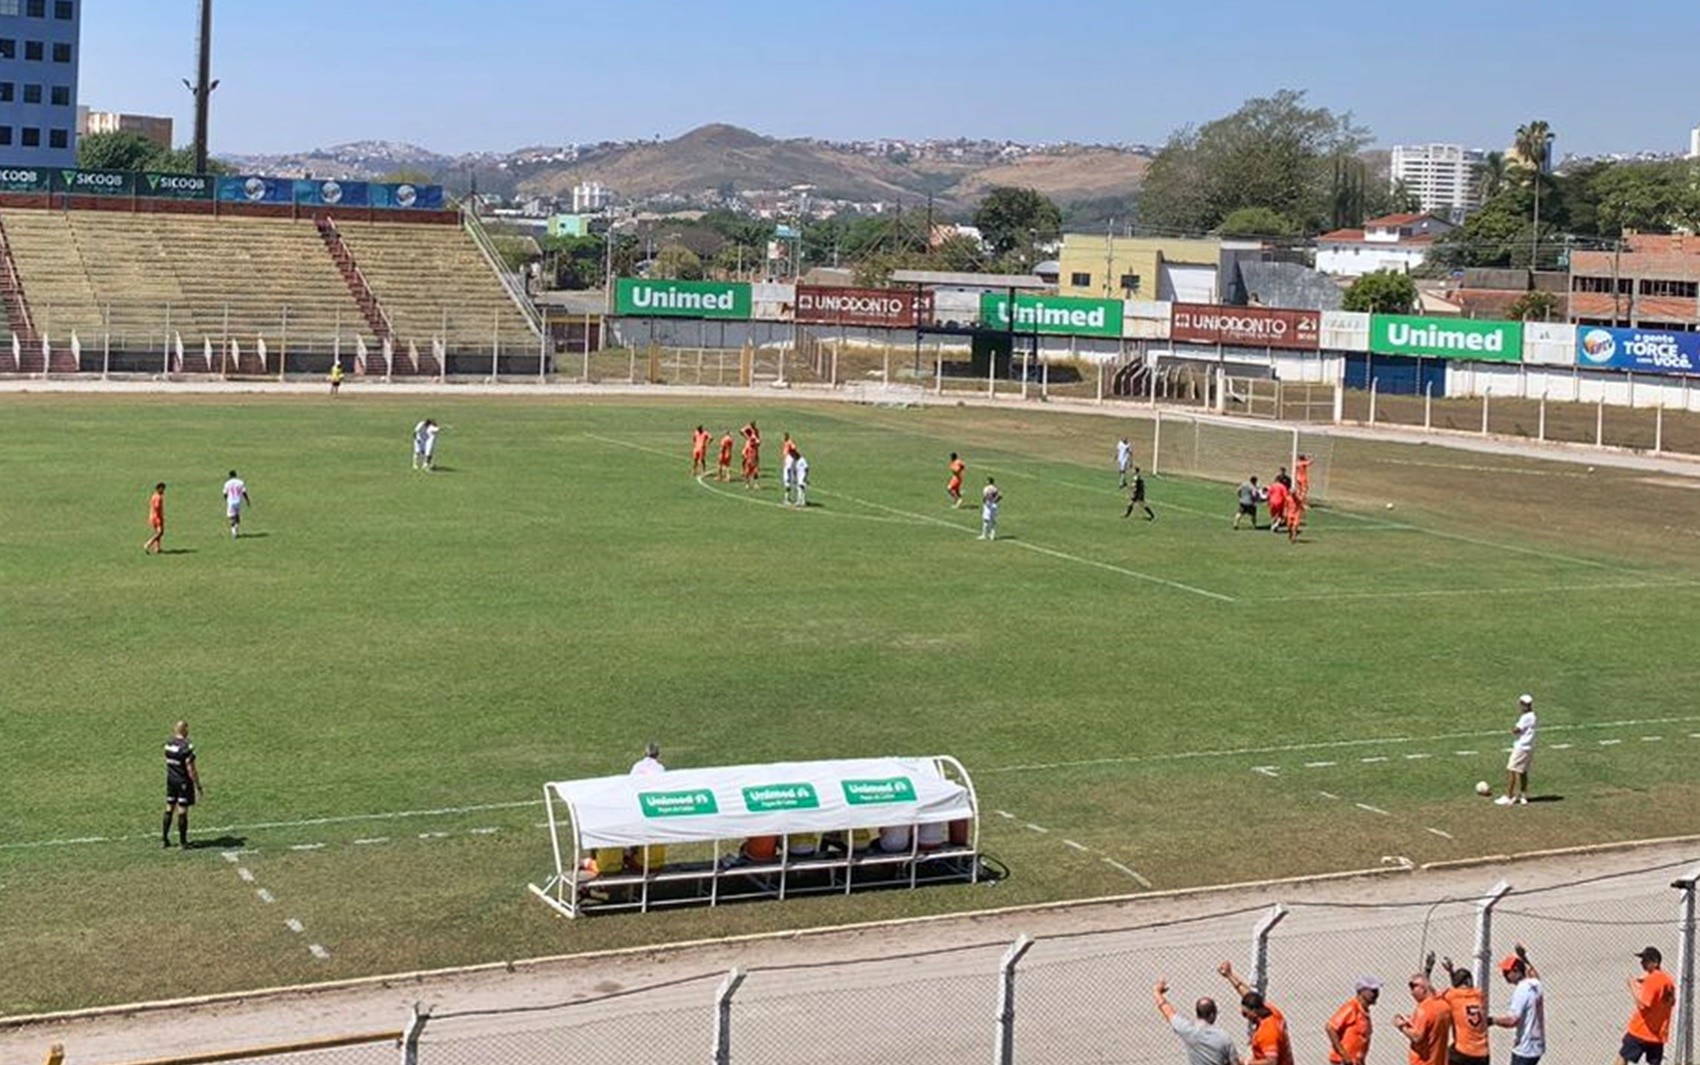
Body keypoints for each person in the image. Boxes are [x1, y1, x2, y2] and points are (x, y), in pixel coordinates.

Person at [1219, 961, 1293, 1065]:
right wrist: (1230, 975)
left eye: (1245, 1014)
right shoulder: (1271, 1011)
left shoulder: (1267, 1032)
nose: (1244, 1017)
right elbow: (1247, 994)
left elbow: (1271, 1062)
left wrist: (1246, 1063)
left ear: (1254, 1012)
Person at [1156, 979, 1242, 1065]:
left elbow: (1167, 1011)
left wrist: (1157, 993)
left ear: (1197, 1013)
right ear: (1212, 1015)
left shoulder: (1188, 1031)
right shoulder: (1224, 1038)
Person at [1425, 956, 1490, 1065]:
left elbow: (1430, 992)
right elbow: (1460, 990)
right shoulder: (1479, 995)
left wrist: (1428, 970)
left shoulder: (1452, 996)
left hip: (1463, 1052)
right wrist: (1451, 971)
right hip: (1483, 1053)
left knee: (1443, 1055)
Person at [1617, 947, 1676, 1065]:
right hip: (1658, 1032)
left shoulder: (1653, 979)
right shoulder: (1667, 980)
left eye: (1645, 961)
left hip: (1641, 1030)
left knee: (1623, 1057)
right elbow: (1671, 1001)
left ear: (1655, 963)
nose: (1642, 963)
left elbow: (1643, 1004)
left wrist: (1632, 985)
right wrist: (1644, 984)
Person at [1491, 947, 1545, 1065]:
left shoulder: (1521, 990)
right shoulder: (1535, 984)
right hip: (1537, 1046)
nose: (1504, 974)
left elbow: (1512, 1021)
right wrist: (1524, 959)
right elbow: (1534, 974)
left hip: (1525, 1049)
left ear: (1516, 970)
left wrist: (1492, 1020)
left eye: (1506, 971)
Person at [1394, 973, 1452, 1065]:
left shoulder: (1424, 1009)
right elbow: (1431, 1026)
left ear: (1423, 988)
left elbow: (1417, 1037)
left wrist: (1401, 1026)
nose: (1411, 992)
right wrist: (1411, 1020)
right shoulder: (1444, 1006)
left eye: (1413, 987)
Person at [162, 720, 202, 849]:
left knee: (169, 807)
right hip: (183, 781)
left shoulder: (168, 744)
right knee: (182, 810)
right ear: (184, 730)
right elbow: (190, 767)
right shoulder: (187, 746)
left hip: (170, 780)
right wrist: (197, 784)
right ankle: (183, 842)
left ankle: (164, 839)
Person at [1326, 977, 1379, 1065]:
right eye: (1373, 991)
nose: (1376, 994)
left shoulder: (1364, 1011)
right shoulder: (1351, 1008)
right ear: (1361, 991)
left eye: (1377, 990)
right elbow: (1330, 1027)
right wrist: (1344, 1055)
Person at [1498, 694, 1537, 806]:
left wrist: (1513, 730)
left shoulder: (1525, 717)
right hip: (1529, 747)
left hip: (1521, 747)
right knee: (1523, 772)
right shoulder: (1533, 716)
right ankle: (1523, 796)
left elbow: (1517, 730)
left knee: (1512, 770)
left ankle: (1509, 796)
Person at [221, 470, 250, 539]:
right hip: (238, 501)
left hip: (231, 501)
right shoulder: (240, 482)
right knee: (237, 514)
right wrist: (247, 500)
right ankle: (236, 526)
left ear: (229, 476)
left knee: (231, 517)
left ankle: (234, 530)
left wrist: (226, 500)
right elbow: (244, 492)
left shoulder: (227, 483)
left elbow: (225, 494)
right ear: (236, 475)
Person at [144, 482, 166, 554]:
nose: (163, 491)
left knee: (157, 532)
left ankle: (157, 548)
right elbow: (156, 507)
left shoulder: (154, 496)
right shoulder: (158, 497)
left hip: (153, 516)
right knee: (160, 532)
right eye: (162, 489)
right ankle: (148, 544)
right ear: (159, 489)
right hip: (157, 517)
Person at [740, 420, 762, 488]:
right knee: (747, 470)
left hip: (753, 455)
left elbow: (758, 441)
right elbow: (741, 431)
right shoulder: (748, 428)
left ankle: (755, 484)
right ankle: (747, 482)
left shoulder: (756, 431)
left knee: (755, 470)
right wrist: (747, 437)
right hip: (749, 454)